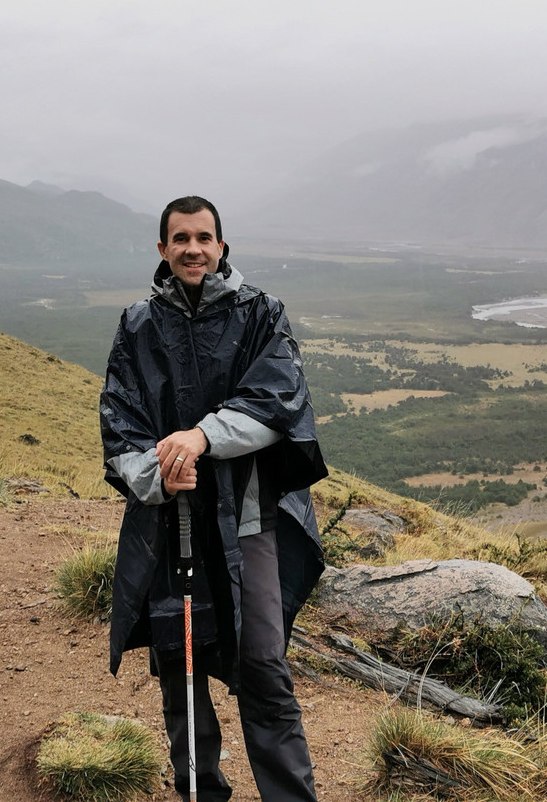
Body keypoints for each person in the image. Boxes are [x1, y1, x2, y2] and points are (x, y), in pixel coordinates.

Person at [99, 195, 327, 801]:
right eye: (181, 239)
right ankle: (200, 793)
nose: (193, 249)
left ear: (221, 246)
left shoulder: (259, 314)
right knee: (181, 663)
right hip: (169, 519)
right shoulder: (138, 325)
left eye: (204, 238)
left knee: (262, 664)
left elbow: (277, 403)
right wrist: (158, 473)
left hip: (249, 517)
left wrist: (200, 438)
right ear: (163, 248)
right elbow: (119, 427)